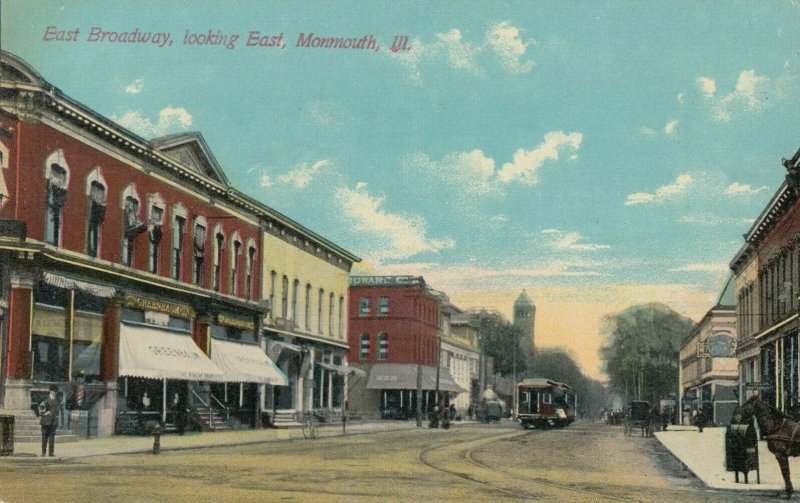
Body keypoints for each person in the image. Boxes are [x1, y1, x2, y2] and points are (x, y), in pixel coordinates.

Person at [39, 385, 60, 457]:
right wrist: (45, 413)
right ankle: (43, 452)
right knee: (44, 438)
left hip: (53, 422)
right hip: (45, 421)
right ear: (51, 391)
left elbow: (57, 412)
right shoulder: (45, 399)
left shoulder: (57, 400)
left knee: (52, 438)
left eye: (56, 392)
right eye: (54, 391)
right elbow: (40, 409)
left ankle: (51, 453)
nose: (55, 393)